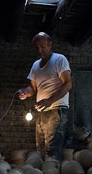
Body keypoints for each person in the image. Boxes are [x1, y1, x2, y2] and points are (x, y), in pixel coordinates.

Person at [17, 32, 72, 162]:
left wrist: (49, 101)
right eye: (37, 48)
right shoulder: (36, 65)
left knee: (52, 151)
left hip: (56, 109)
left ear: (50, 45)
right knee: (40, 150)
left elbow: (68, 84)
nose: (40, 50)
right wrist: (25, 91)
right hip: (42, 111)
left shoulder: (59, 59)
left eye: (43, 46)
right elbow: (33, 88)